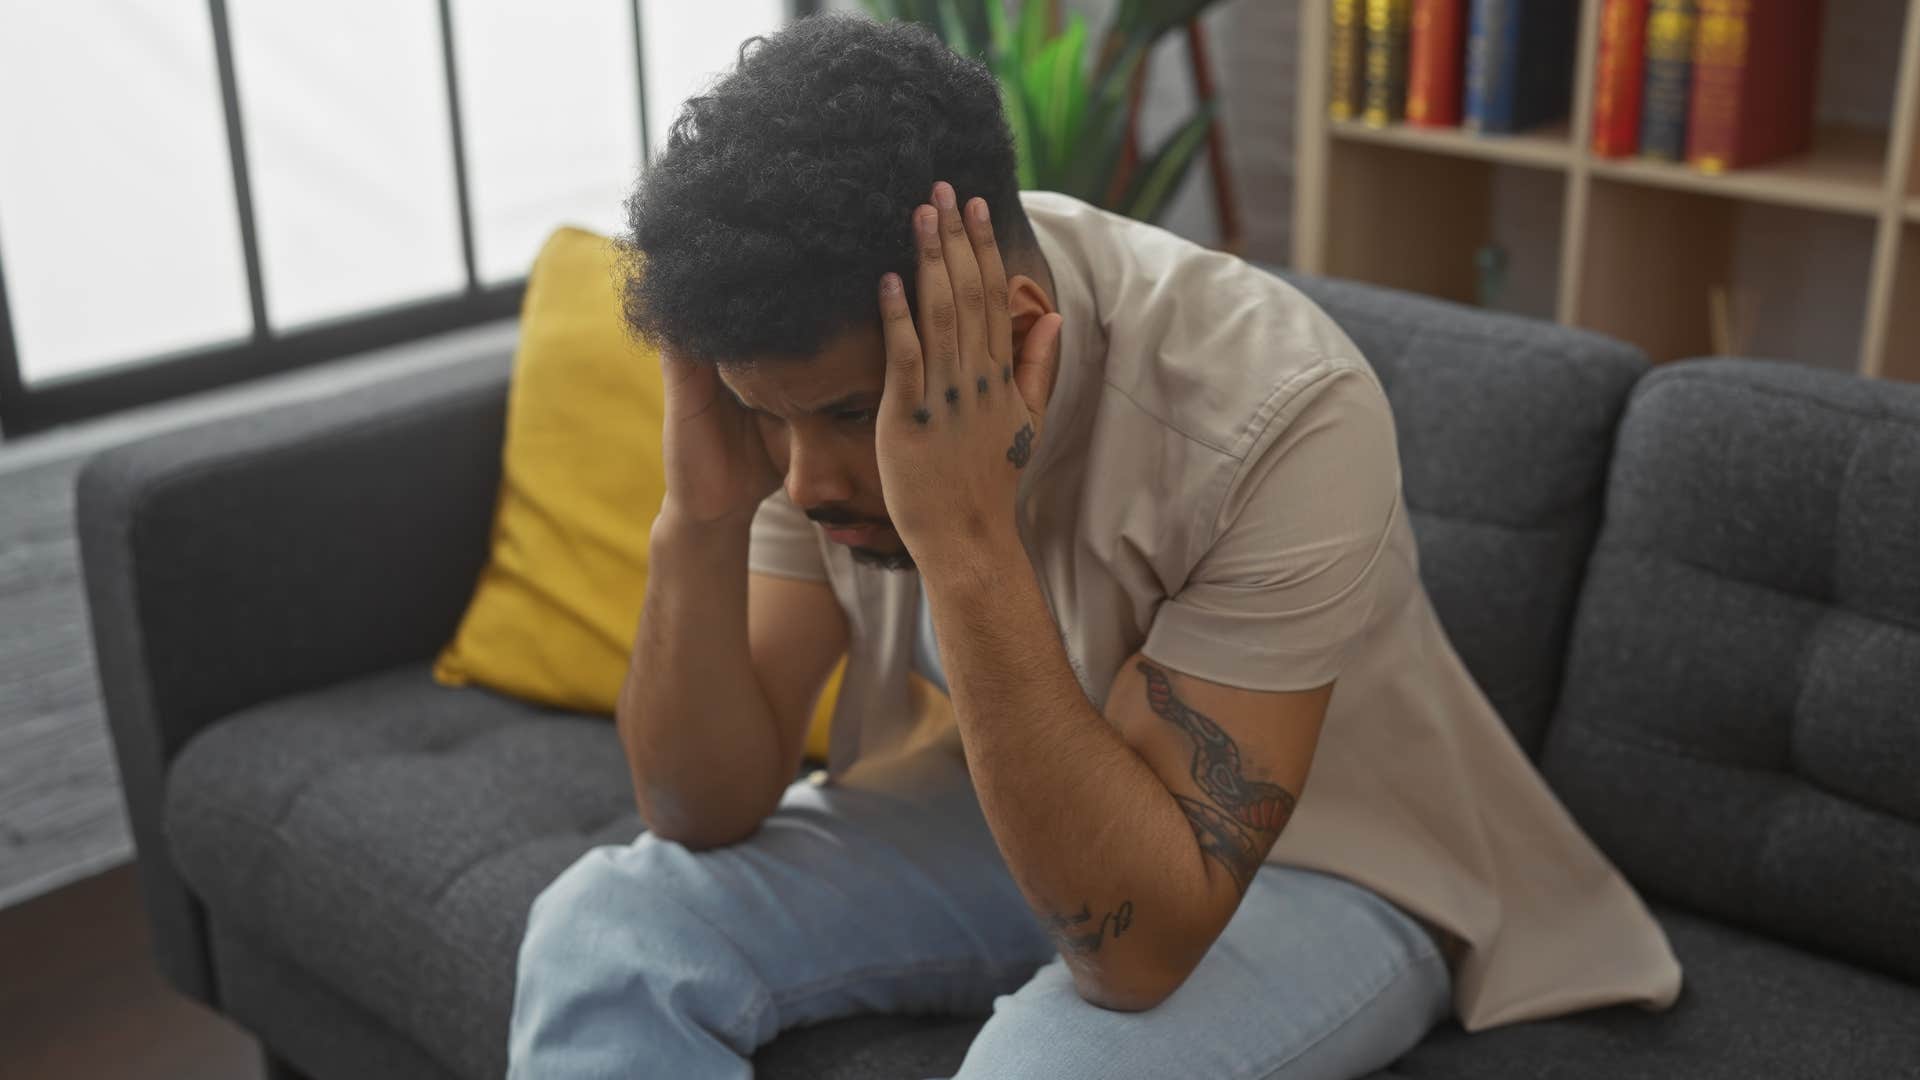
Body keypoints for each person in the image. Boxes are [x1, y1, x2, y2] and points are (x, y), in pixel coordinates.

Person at [507, 14, 1681, 1079]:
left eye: (845, 418)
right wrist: (700, 518)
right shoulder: (814, 396)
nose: (804, 480)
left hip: (1326, 863)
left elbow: (1136, 957)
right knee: (606, 928)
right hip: (990, 809)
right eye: (769, 413)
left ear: (1015, 331)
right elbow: (700, 808)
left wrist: (965, 539)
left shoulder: (1279, 408)